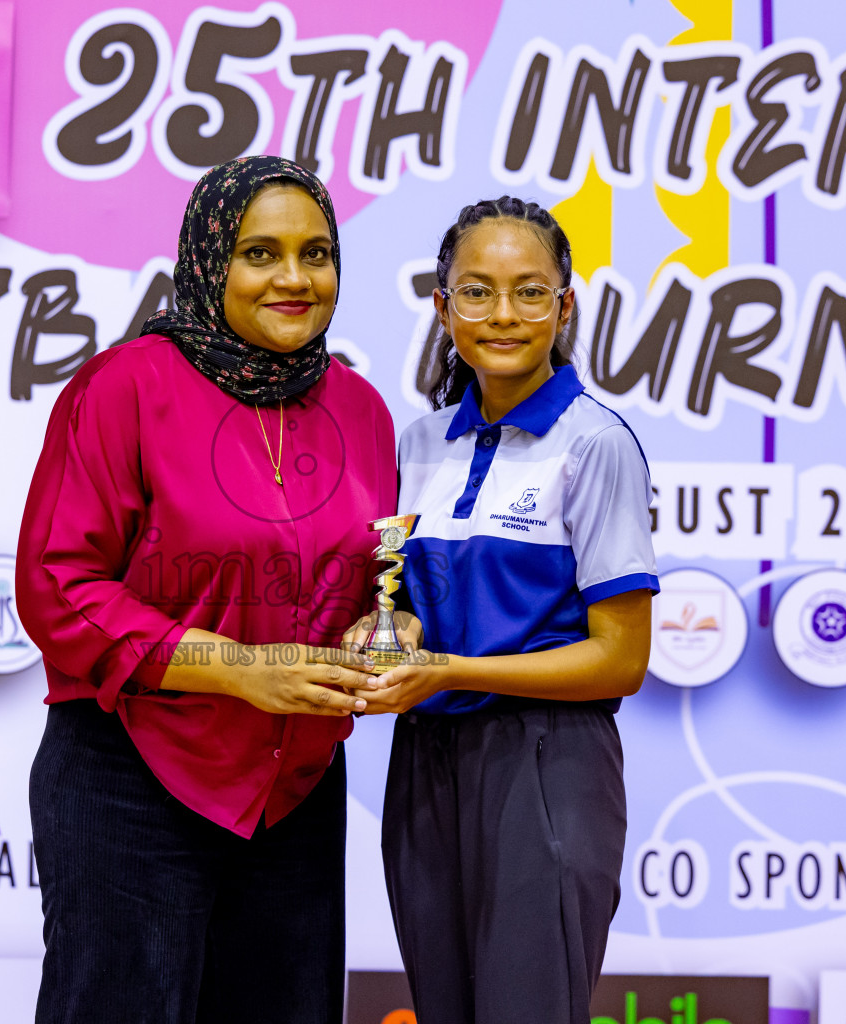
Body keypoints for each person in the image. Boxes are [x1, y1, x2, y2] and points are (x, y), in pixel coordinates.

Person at [14, 155, 396, 1024]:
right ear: (207, 258)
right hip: (134, 774)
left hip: (293, 791)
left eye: (317, 253)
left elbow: (370, 578)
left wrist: (381, 637)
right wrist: (238, 668)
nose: (295, 279)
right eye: (261, 253)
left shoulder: (362, 410)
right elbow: (57, 583)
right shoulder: (125, 387)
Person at [359, 196, 658, 1023]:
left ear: (565, 307)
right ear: (441, 306)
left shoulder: (595, 444)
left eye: (530, 292)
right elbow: (404, 608)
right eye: (476, 291)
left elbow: (621, 658)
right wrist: (397, 635)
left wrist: (449, 670)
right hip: (425, 764)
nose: (502, 315)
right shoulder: (418, 445)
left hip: (546, 762)